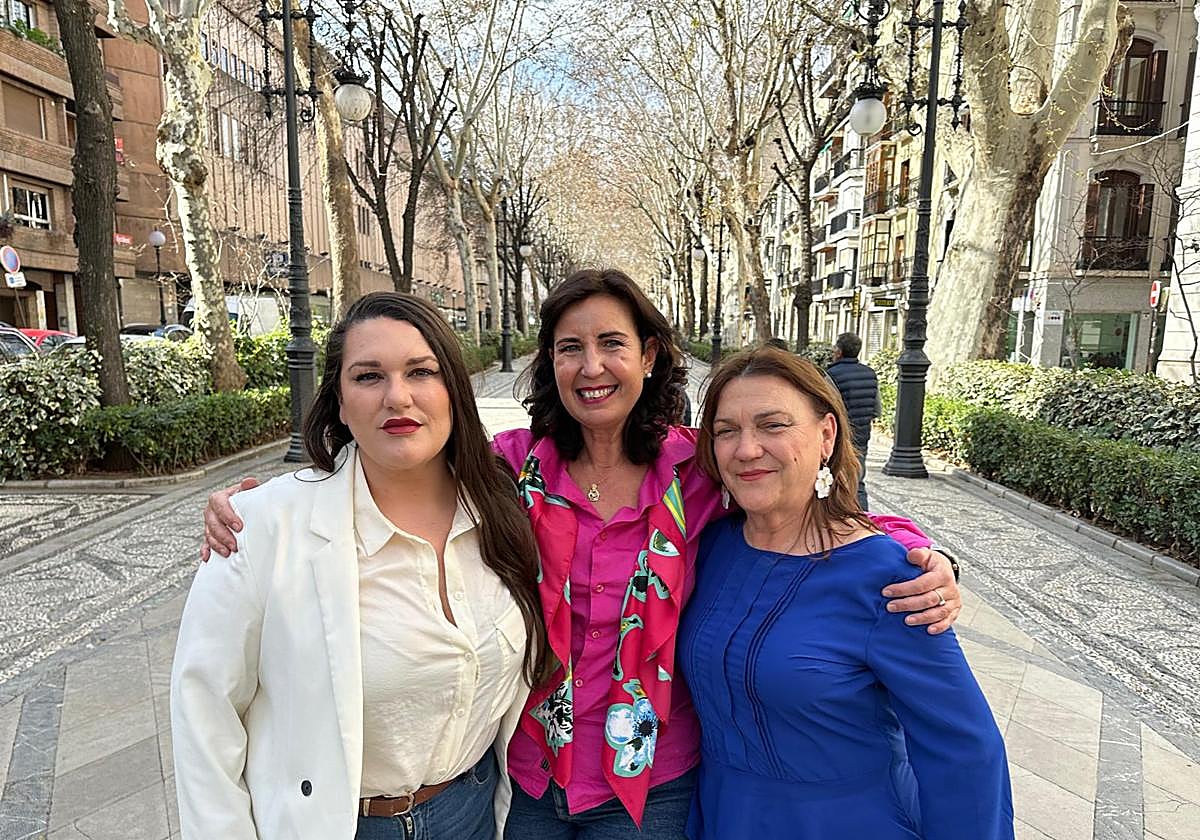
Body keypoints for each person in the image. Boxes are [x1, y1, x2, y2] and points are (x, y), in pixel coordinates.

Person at [201, 270, 963, 839]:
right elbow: (394, 468)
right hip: (533, 777)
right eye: (570, 348)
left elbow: (798, 504)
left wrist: (922, 552)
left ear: (650, 355)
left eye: (611, 345)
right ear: (550, 364)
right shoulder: (505, 468)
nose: (591, 365)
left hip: (654, 786)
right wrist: (273, 502)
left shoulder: (697, 468)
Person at [172, 293, 552, 840]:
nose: (398, 397)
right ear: (341, 403)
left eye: (421, 371)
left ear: (454, 390)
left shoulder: (503, 506)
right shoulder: (262, 527)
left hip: (471, 810)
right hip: (338, 823)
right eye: (369, 377)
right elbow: (203, 714)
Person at [679, 346, 1012, 839]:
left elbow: (964, 747)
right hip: (722, 816)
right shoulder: (709, 548)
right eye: (727, 431)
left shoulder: (887, 576)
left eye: (773, 425)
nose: (746, 449)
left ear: (826, 435)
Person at [825, 332, 880, 509]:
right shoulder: (870, 374)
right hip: (862, 436)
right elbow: (876, 409)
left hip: (839, 437)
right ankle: (865, 519)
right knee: (858, 481)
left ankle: (835, 519)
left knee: (832, 479)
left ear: (839, 351)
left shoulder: (831, 374)